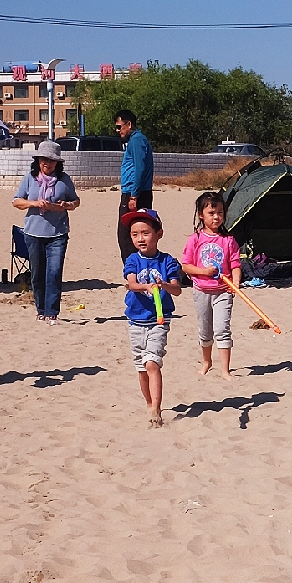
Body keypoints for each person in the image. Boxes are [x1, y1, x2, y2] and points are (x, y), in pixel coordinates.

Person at [123, 210, 184, 426]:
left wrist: (164, 285)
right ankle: (149, 403)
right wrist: (146, 286)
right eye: (135, 234)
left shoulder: (167, 261)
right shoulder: (132, 260)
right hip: (135, 321)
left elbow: (177, 289)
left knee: (152, 363)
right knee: (141, 367)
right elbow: (131, 284)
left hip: (159, 320)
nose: (140, 238)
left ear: (159, 234)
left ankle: (157, 408)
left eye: (146, 233)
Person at [12, 142, 80, 322]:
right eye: (44, 159)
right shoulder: (29, 178)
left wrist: (68, 205)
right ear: (38, 160)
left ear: (57, 163)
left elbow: (76, 201)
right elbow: (16, 201)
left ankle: (52, 312)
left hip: (58, 234)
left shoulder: (64, 180)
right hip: (33, 233)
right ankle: (41, 309)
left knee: (54, 272)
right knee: (37, 274)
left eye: (51, 160)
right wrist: (34, 203)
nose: (47, 164)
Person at [180, 191, 241, 379]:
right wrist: (203, 272)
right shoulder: (195, 239)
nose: (216, 217)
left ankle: (225, 370)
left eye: (220, 213)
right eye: (212, 213)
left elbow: (236, 264)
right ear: (201, 214)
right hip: (201, 291)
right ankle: (206, 362)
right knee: (205, 330)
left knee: (222, 329)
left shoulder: (228, 240)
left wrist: (236, 283)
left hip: (223, 292)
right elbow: (186, 266)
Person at [116, 109, 154, 262]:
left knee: (127, 234)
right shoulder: (135, 141)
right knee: (135, 233)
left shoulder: (137, 140)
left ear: (129, 124)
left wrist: (134, 195)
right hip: (134, 192)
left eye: (119, 127)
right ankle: (137, 269)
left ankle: (134, 270)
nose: (117, 131)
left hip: (136, 194)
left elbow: (140, 168)